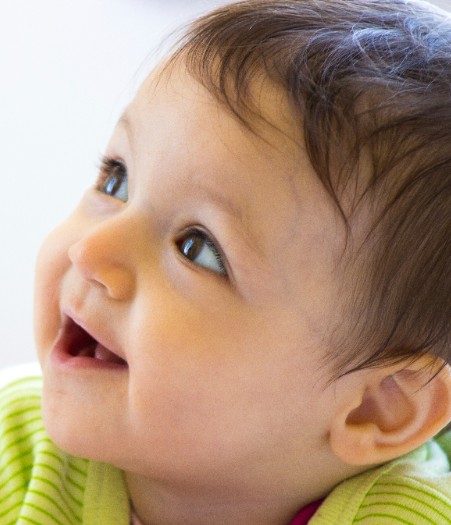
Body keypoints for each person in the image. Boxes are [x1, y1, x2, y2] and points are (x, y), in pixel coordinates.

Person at [1, 0, 450, 523]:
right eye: (116, 180)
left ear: (377, 406)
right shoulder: (17, 454)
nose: (92, 250)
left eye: (198, 247)